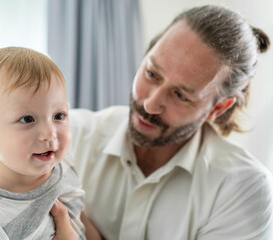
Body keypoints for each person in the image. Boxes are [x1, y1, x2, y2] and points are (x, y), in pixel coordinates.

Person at [65, 5, 273, 240]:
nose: (150, 105)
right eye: (152, 74)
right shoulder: (68, 136)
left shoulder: (242, 189)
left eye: (181, 95)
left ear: (217, 109)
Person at [0, 47, 88, 239]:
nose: (50, 134)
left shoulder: (64, 165)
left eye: (58, 115)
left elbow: (80, 218)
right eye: (27, 119)